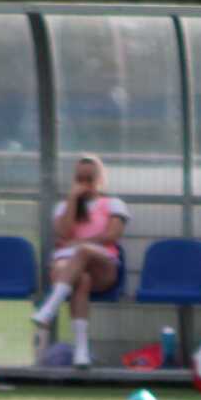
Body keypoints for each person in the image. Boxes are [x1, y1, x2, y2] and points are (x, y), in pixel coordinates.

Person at [31, 153, 130, 370]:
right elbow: (64, 233)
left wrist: (80, 243)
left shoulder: (114, 204)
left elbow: (112, 235)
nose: (84, 183)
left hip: (102, 265)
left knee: (83, 251)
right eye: (80, 178)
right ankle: (81, 351)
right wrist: (73, 199)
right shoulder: (63, 206)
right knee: (81, 280)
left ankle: (50, 307)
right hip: (67, 267)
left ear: (100, 179)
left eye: (89, 178)